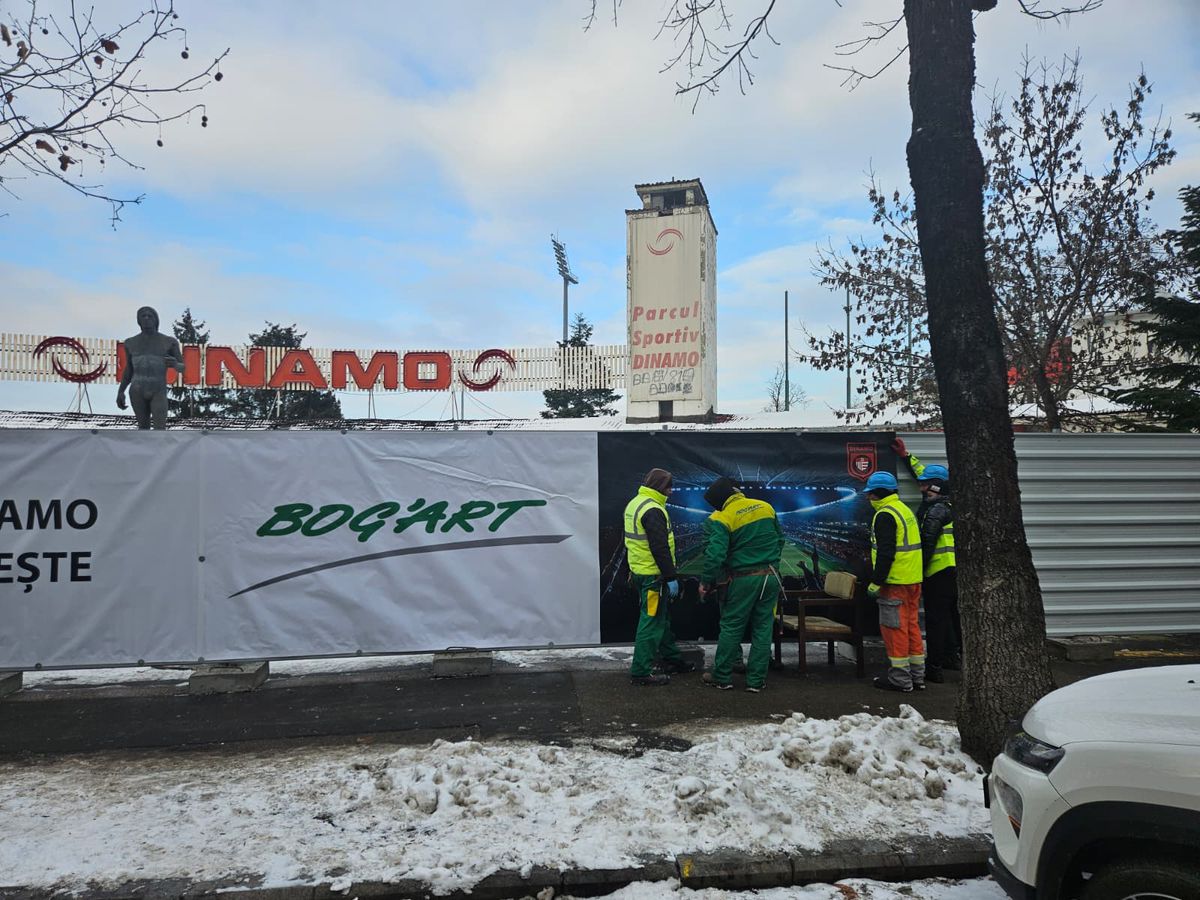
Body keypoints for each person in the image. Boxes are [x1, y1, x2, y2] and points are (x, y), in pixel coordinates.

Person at [698, 477, 783, 693]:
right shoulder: (766, 507)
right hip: (771, 576)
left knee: (731, 627)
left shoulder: (723, 517)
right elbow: (780, 540)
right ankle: (756, 682)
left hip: (743, 579)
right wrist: (770, 561)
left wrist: (706, 581)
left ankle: (722, 677)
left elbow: (715, 554)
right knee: (763, 628)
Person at [893, 437, 961, 682]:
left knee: (936, 620)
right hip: (954, 572)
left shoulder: (937, 510)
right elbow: (923, 473)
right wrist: (906, 457)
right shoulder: (947, 501)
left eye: (925, 485)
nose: (921, 488)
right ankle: (952, 658)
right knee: (952, 617)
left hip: (938, 572)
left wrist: (918, 572)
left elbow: (928, 542)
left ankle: (934, 668)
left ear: (937, 486)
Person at [625, 468, 694, 686]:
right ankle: (640, 672)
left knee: (660, 619)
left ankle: (673, 659)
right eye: (668, 487)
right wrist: (671, 576)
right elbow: (659, 547)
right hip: (653, 576)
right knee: (652, 622)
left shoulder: (636, 503)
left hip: (641, 572)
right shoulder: (653, 509)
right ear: (659, 486)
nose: (671, 491)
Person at [863, 471, 926, 692]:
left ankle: (900, 679)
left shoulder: (885, 515)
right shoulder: (904, 510)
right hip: (912, 580)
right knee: (912, 627)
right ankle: (917, 676)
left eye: (870, 494)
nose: (868, 498)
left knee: (894, 629)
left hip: (895, 582)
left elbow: (886, 552)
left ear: (878, 493)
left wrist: (876, 581)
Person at [116, 306, 184, 430]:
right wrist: (121, 391)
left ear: (156, 319)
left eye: (150, 316)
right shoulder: (130, 343)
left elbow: (182, 367)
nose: (147, 318)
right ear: (139, 320)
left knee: (160, 428)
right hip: (137, 389)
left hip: (158, 389)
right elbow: (129, 370)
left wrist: (175, 364)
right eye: (143, 316)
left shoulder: (169, 342)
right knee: (143, 428)